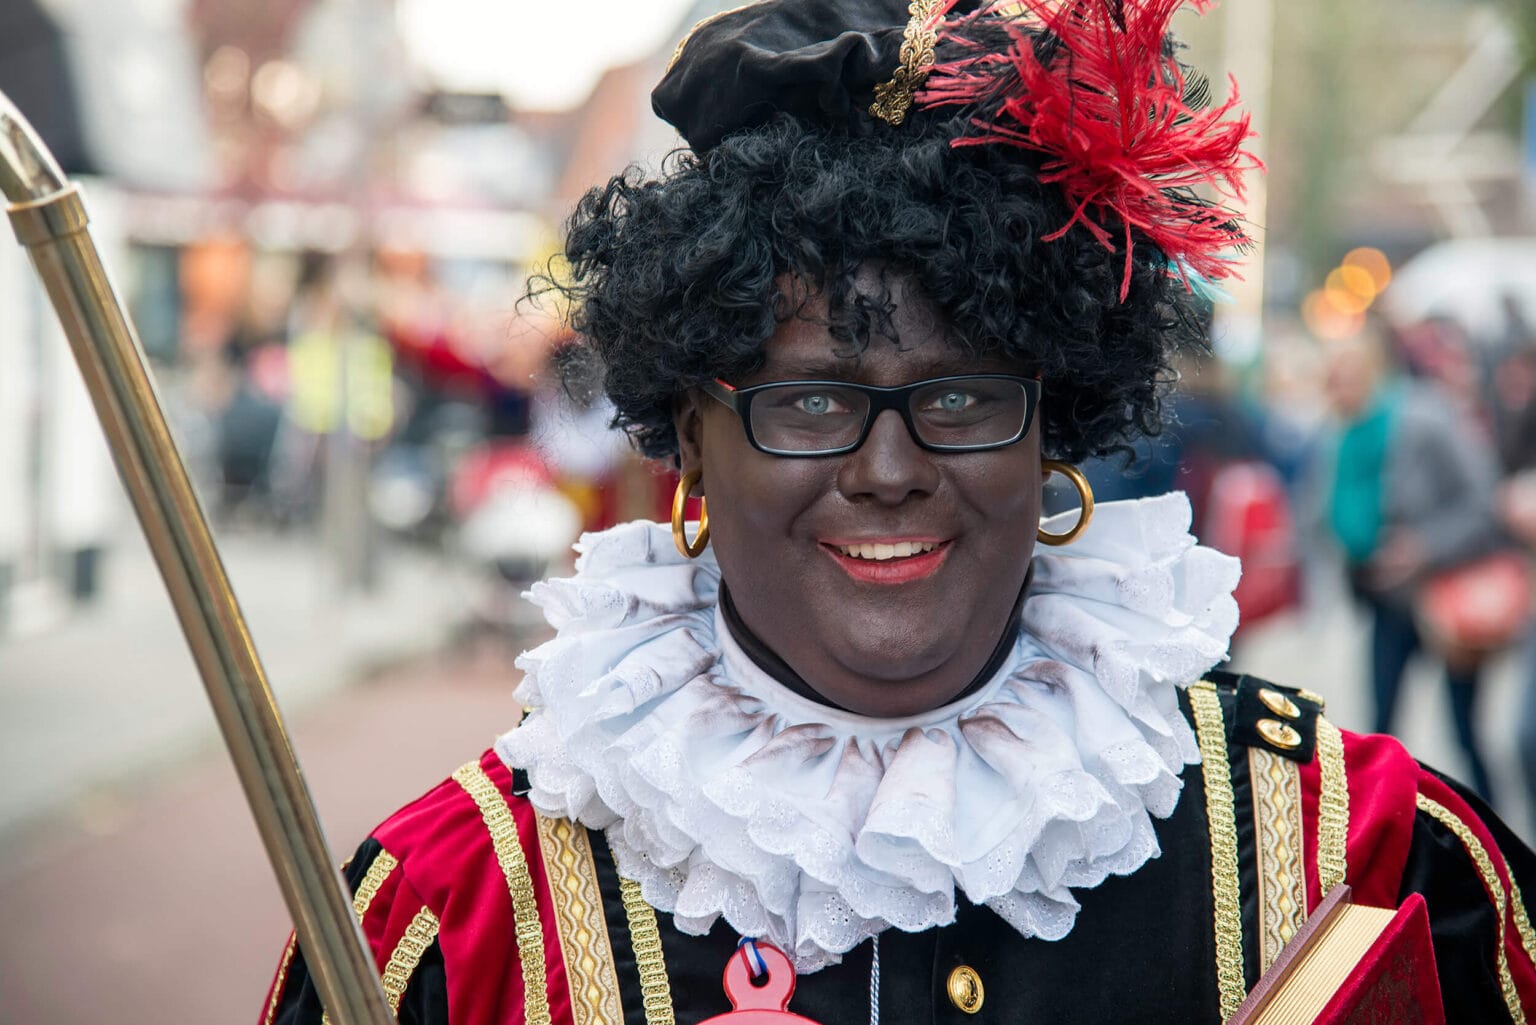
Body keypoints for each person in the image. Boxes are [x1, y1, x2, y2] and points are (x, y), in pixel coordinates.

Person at [261, 2, 1536, 1022]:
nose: (886, 468)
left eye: (962, 395)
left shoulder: (1358, 857)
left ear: (1055, 428)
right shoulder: (452, 915)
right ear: (692, 442)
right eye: (809, 402)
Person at [1318, 327, 1503, 801]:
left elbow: (1483, 503)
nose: (1335, 388)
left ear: (1372, 371)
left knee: (1465, 731)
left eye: (1345, 376)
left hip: (1442, 596)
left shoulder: (1423, 419)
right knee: (1381, 730)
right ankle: (1383, 834)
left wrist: (1423, 547)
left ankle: (1498, 841)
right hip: (1388, 599)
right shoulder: (1344, 433)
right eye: (1330, 378)